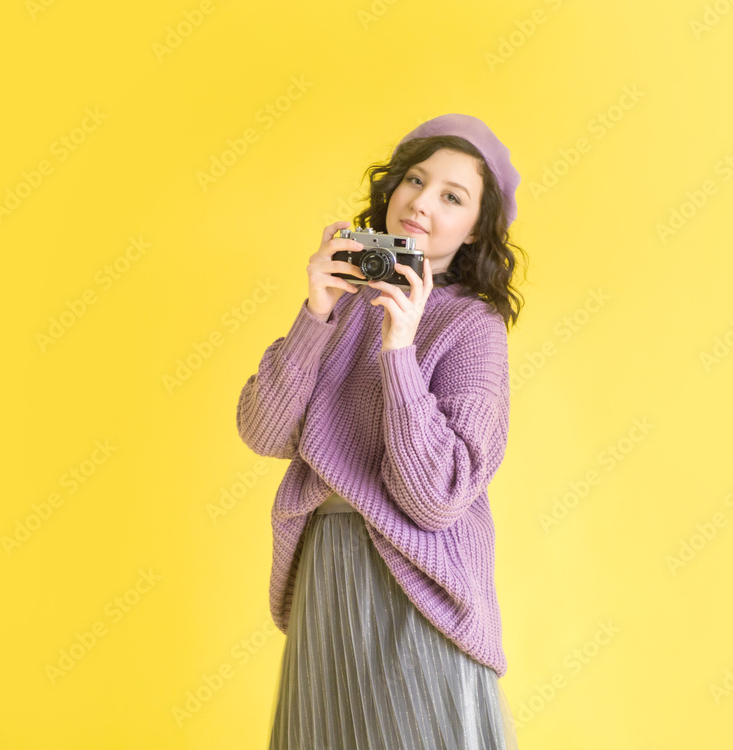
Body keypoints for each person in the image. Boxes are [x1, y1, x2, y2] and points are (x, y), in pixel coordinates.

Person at [236, 113, 527, 749]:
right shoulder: (340, 303)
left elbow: (436, 496)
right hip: (328, 569)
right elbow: (262, 431)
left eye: (452, 197)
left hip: (421, 586)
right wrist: (316, 313)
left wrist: (400, 350)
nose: (422, 203)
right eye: (414, 181)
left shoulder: (471, 328)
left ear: (475, 230)